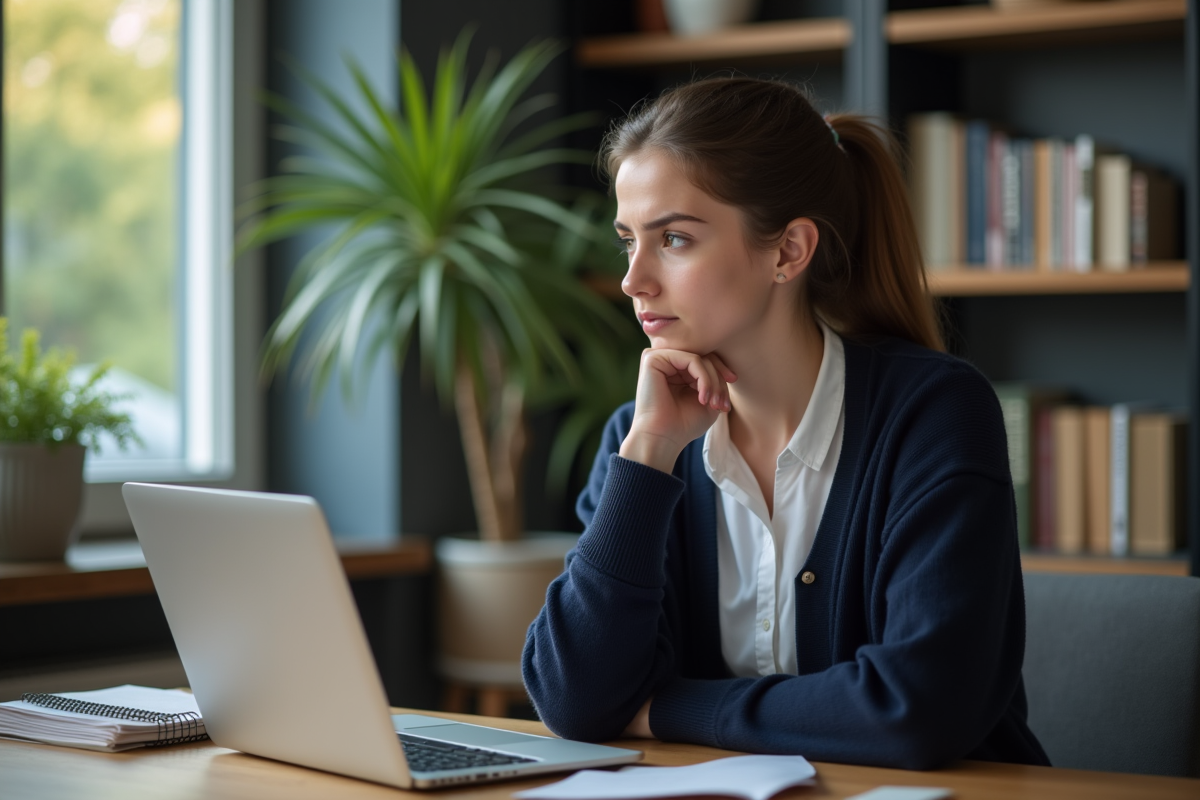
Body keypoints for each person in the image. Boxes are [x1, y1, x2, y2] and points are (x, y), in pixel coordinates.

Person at [521, 77, 1050, 770]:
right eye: (629, 242)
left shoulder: (934, 414)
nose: (633, 280)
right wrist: (648, 455)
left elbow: (919, 709)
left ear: (789, 252)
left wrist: (670, 708)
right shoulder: (641, 436)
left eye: (674, 238)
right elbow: (573, 701)